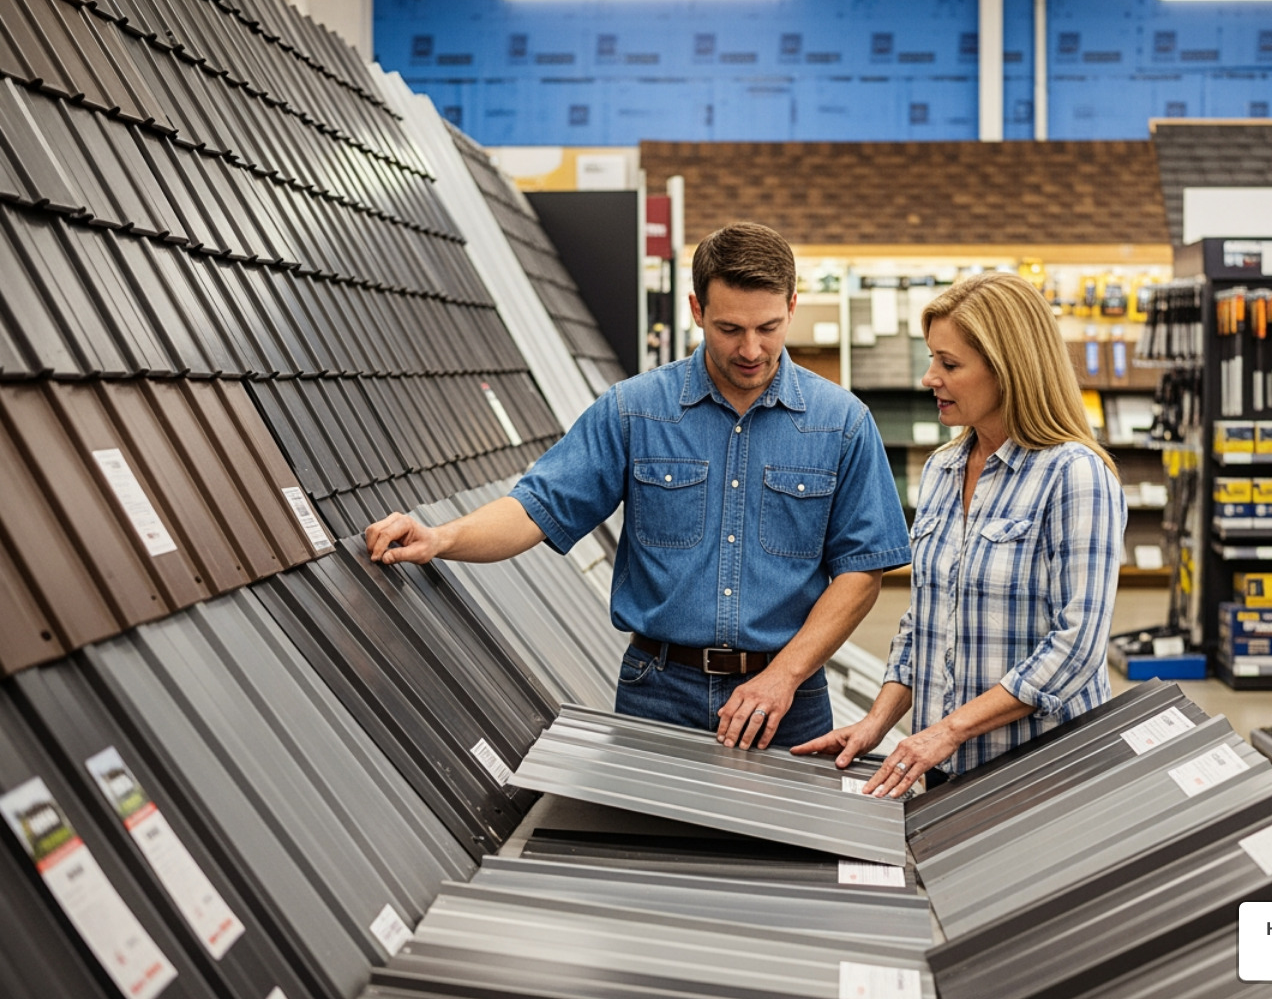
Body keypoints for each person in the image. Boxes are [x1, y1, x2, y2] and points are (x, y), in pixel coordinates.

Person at [365, 222, 911, 750]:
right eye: (729, 329)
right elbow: (538, 507)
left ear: (792, 307)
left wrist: (784, 676)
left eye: (768, 328)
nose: (750, 349)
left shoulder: (842, 423)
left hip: (789, 699)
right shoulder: (634, 411)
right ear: (697, 310)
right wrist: (440, 538)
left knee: (791, 849)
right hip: (659, 691)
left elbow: (861, 569)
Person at [792, 272, 1125, 796]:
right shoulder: (943, 469)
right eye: (931, 359)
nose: (929, 378)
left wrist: (949, 731)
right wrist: (878, 722)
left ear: (1008, 369)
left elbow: (1077, 647)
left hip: (1042, 773)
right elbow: (927, 617)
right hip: (947, 772)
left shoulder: (1075, 475)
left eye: (948, 364)